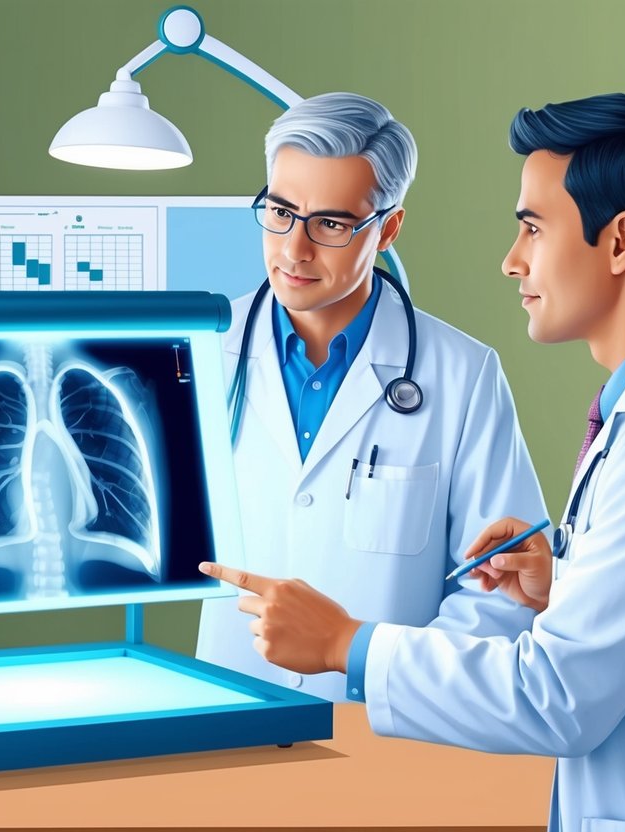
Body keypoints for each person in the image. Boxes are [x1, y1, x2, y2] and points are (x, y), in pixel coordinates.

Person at [200, 92, 625, 830]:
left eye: (532, 228)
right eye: (281, 212)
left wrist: (344, 645)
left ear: (618, 242)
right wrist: (568, 587)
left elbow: (557, 695)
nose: (510, 260)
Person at [195, 92, 548, 702]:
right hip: (228, 716)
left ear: (387, 229)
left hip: (385, 732)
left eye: (330, 223)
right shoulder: (200, 351)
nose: (294, 249)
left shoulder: (463, 376)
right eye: (279, 211)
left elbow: (498, 593)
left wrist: (386, 680)